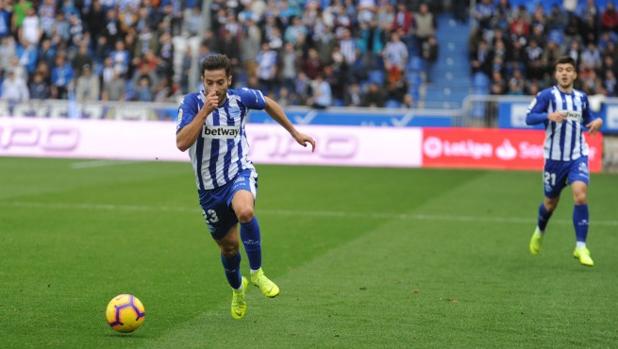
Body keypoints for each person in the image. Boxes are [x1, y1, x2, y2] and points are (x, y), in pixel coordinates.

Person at [175, 54, 316, 319]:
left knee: (245, 211)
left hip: (239, 172)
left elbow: (268, 103)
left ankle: (257, 273)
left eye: (219, 82)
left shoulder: (241, 99)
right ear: (202, 81)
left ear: (229, 80)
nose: (214, 88)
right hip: (208, 189)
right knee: (228, 247)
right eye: (209, 82)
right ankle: (238, 291)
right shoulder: (192, 103)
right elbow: (182, 143)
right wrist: (205, 111)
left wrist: (295, 133)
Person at [526, 56, 603, 267]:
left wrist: (596, 121)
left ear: (575, 74)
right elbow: (529, 117)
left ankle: (580, 247)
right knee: (550, 203)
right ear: (555, 74)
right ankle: (540, 230)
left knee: (580, 195)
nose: (564, 73)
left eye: (569, 69)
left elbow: (588, 118)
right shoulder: (546, 95)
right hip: (553, 159)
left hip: (577, 155)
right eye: (560, 69)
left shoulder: (581, 97)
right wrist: (547, 116)